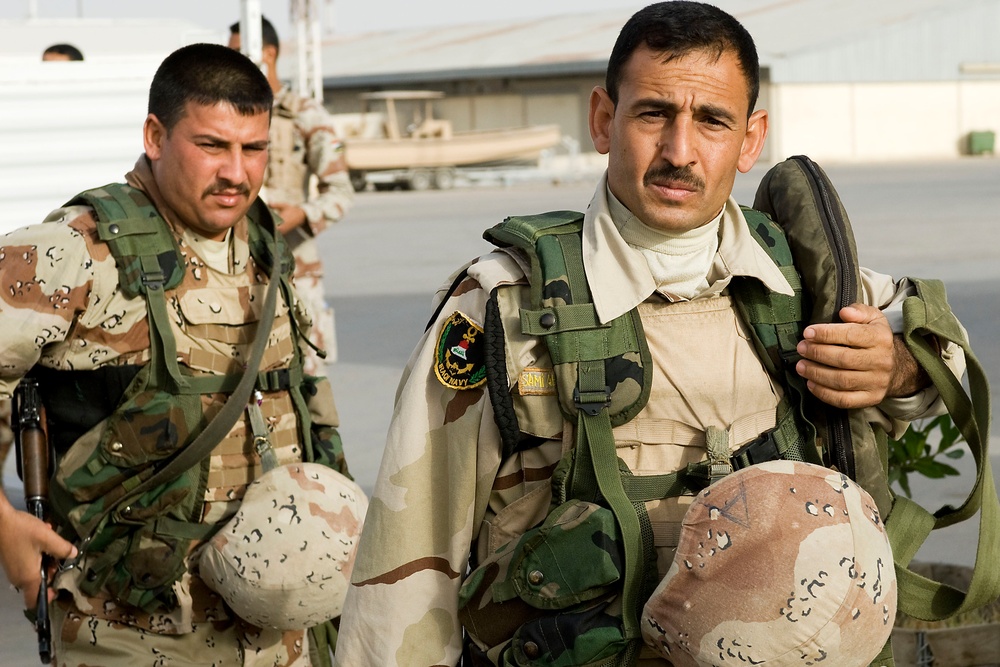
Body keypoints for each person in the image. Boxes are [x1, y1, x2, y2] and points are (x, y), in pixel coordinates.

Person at [333, 3, 970, 666]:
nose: (679, 151)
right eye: (654, 114)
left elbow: (943, 353)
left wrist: (895, 365)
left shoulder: (806, 281)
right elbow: (408, 565)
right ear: (604, 120)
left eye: (712, 121)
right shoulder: (501, 305)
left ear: (751, 140)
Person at [0, 43, 352, 666]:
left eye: (255, 148)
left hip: (277, 637)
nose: (237, 174)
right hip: (129, 630)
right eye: (213, 146)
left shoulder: (263, 242)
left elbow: (303, 397)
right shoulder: (74, 253)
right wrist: (5, 529)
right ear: (156, 136)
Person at [229, 16, 354, 376]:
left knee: (307, 375)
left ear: (267, 53)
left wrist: (300, 214)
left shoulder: (304, 113)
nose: (233, 61)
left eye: (240, 52)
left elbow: (341, 192)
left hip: (296, 266)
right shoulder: (227, 116)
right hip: (238, 265)